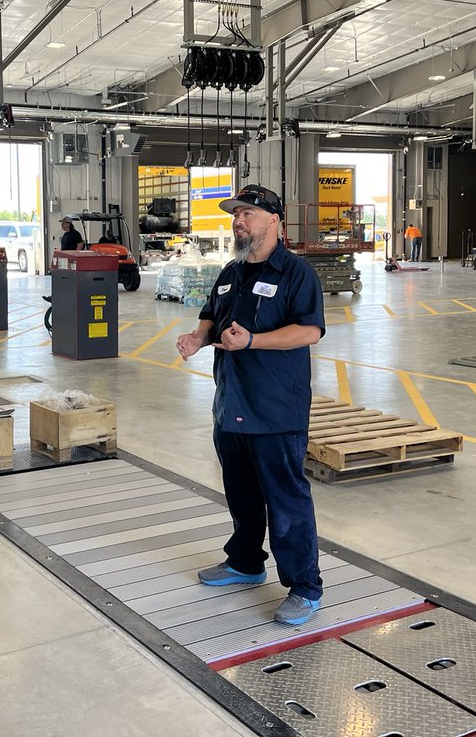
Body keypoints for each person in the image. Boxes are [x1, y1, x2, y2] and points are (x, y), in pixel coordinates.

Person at [174, 184, 326, 626]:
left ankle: (305, 586)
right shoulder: (230, 272)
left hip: (276, 409)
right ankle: (245, 562)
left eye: (247, 214)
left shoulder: (296, 274)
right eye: (235, 215)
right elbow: (211, 315)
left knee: (286, 502)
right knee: (241, 495)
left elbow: (310, 331)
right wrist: (197, 338)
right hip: (232, 405)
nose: (238, 222)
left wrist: (255, 340)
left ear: (274, 220)